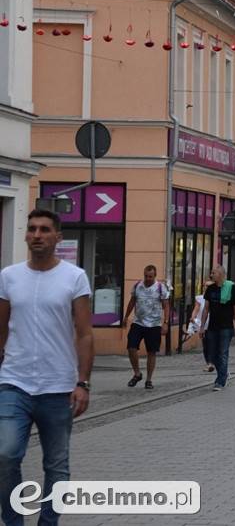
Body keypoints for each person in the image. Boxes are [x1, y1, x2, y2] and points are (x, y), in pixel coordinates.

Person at [0, 208, 94, 526]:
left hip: (59, 387)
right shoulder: (9, 277)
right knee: (6, 454)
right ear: (25, 235)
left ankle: (48, 522)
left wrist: (83, 382)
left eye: (44, 229)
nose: (37, 235)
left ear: (57, 237)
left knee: (56, 464)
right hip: (15, 382)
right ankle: (13, 520)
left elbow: (84, 333)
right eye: (31, 229)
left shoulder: (74, 277)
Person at [124, 264, 170, 390]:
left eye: (150, 276)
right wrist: (126, 316)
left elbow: (166, 306)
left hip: (154, 325)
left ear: (155, 276)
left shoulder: (160, 288)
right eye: (146, 276)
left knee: (151, 352)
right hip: (138, 322)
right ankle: (137, 373)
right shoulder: (137, 286)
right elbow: (132, 301)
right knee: (131, 347)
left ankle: (148, 380)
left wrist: (165, 323)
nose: (147, 278)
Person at [200, 265, 235, 391]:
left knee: (223, 353)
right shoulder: (211, 289)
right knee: (213, 354)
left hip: (226, 326)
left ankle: (220, 381)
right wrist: (202, 326)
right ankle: (223, 374)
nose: (211, 275)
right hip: (212, 326)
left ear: (220, 274)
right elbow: (206, 308)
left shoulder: (231, 287)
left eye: (213, 272)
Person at [190, 290, 213, 372]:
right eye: (206, 286)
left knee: (212, 344)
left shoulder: (215, 297)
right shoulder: (200, 298)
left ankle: (210, 363)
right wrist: (193, 316)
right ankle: (208, 362)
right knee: (205, 345)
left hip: (213, 324)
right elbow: (196, 309)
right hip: (203, 325)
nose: (207, 288)